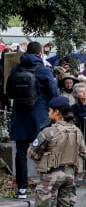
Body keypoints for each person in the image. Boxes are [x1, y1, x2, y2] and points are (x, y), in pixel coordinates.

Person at [28, 97, 86, 207]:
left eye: (50, 111)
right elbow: (84, 153)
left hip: (50, 177)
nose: (48, 113)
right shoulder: (77, 131)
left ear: (57, 113)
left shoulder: (48, 132)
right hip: (69, 176)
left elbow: (32, 153)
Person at [8, 41, 59, 199]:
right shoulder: (44, 70)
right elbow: (54, 94)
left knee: (21, 152)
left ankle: (22, 189)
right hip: (40, 117)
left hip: (20, 116)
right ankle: (46, 185)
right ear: (40, 54)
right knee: (45, 150)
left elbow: (9, 91)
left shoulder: (16, 69)